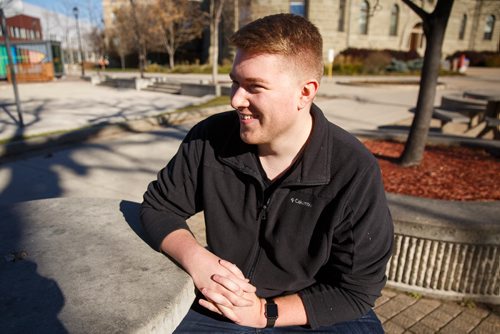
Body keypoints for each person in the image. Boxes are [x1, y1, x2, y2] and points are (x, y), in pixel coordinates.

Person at [141, 13, 393, 333]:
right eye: (235, 82)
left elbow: (357, 289)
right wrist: (196, 259)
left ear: (305, 92)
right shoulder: (211, 139)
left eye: (254, 87)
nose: (235, 100)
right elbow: (158, 207)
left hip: (311, 309)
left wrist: (264, 313)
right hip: (222, 301)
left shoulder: (353, 171)